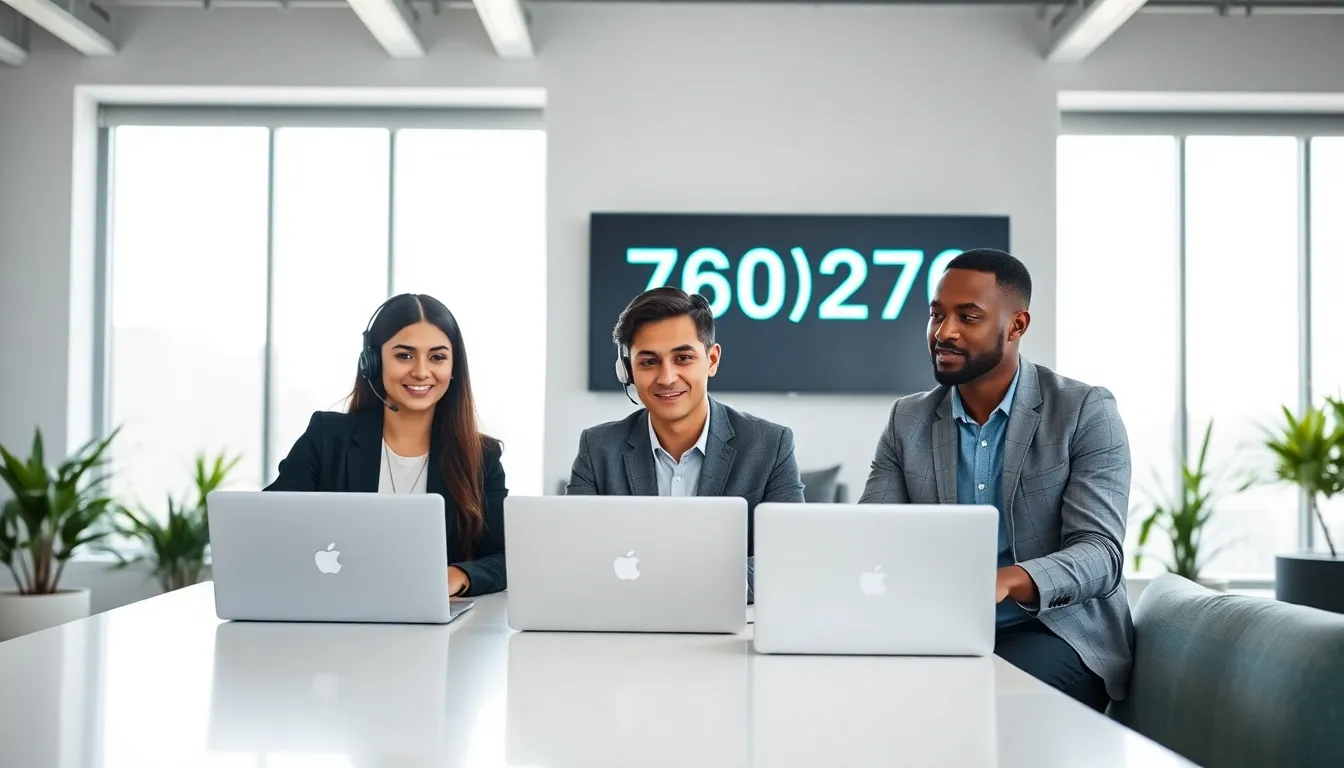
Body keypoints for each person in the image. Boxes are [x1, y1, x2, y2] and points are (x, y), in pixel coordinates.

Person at [859, 248, 1133, 711]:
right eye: (936, 315)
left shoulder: (1084, 410)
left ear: (1017, 325)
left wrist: (1004, 580)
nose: (944, 332)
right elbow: (872, 535)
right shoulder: (909, 419)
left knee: (974, 700)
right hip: (939, 627)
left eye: (968, 317)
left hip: (1054, 629)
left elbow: (1100, 554)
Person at [565, 287, 805, 602]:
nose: (666, 377)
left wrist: (670, 580)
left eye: (683, 358)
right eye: (649, 362)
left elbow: (790, 561)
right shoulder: (598, 449)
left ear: (712, 360)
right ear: (627, 371)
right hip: (627, 634)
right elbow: (571, 558)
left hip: (727, 636)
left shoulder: (770, 445)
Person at [266, 293, 508, 597]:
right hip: (331, 615)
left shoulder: (481, 457)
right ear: (372, 362)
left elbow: (505, 557)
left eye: (437, 357)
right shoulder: (327, 439)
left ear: (453, 366)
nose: (421, 371)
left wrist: (461, 574)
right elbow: (268, 525)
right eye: (404, 355)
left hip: (434, 629)